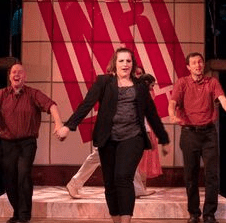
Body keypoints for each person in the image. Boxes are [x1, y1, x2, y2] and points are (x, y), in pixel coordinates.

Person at [55, 47, 170, 223]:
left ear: (132, 64)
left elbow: (151, 113)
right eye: (121, 61)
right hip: (108, 139)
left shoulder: (141, 87)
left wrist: (163, 138)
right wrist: (68, 126)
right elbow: (86, 104)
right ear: (114, 64)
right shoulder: (104, 82)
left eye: (128, 61)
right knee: (110, 184)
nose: (125, 64)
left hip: (132, 138)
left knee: (123, 178)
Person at [0, 62, 62, 223]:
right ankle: (17, 213)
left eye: (20, 72)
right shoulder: (1, 94)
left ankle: (24, 216)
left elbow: (51, 105)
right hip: (7, 143)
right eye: (13, 72)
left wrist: (58, 123)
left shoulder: (33, 94)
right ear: (10, 76)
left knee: (23, 175)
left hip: (27, 143)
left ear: (25, 76)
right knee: (10, 178)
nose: (16, 75)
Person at [168, 52, 226, 223]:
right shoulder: (182, 83)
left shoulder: (212, 82)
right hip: (189, 133)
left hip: (209, 133)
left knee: (212, 175)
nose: (198, 65)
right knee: (191, 175)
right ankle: (194, 212)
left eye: (200, 62)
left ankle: (209, 215)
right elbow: (172, 102)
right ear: (188, 67)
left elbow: (223, 100)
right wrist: (172, 115)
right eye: (194, 63)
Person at [64, 66, 157, 200]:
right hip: (108, 132)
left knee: (130, 158)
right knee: (96, 157)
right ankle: (74, 183)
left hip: (124, 132)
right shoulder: (112, 84)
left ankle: (137, 188)